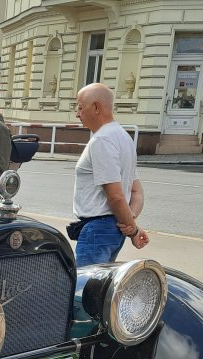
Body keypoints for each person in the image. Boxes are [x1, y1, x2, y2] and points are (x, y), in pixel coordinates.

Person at [69, 82, 148, 265]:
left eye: (80, 108)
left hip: (97, 229)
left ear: (96, 107)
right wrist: (129, 223)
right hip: (114, 230)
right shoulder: (124, 137)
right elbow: (136, 192)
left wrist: (134, 231)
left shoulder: (102, 140)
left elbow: (116, 197)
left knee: (86, 288)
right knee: (102, 288)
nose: (77, 114)